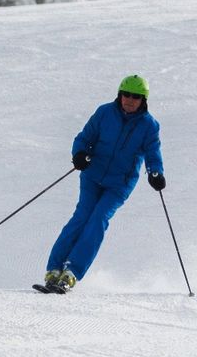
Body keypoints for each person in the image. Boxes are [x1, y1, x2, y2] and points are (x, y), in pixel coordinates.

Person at [40, 75, 164, 293]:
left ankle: (71, 273)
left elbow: (153, 153)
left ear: (143, 100)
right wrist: (79, 154)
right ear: (120, 94)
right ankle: (54, 269)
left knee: (98, 219)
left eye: (136, 97)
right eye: (126, 94)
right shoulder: (104, 113)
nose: (130, 100)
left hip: (119, 184)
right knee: (81, 217)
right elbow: (84, 138)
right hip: (92, 175)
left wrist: (156, 173)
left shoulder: (149, 126)